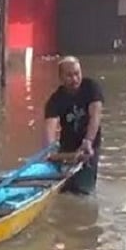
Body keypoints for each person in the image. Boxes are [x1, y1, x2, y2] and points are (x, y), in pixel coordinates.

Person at [43, 55, 104, 195]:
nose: (75, 79)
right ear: (61, 77)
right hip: (68, 147)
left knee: (83, 192)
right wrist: (50, 151)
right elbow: (50, 130)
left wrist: (88, 141)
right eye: (69, 76)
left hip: (89, 145)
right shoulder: (54, 100)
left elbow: (95, 116)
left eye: (77, 74)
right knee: (64, 191)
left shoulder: (91, 88)